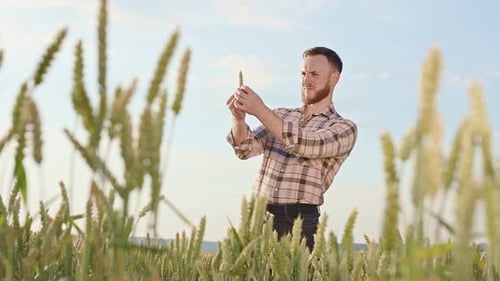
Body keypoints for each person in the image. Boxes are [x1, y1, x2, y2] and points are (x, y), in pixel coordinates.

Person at [226, 46, 357, 251]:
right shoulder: (281, 116)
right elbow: (244, 149)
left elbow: (302, 145)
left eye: (314, 74)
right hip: (258, 218)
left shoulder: (343, 128)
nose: (306, 80)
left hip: (299, 224)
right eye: (303, 73)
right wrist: (238, 119)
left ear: (334, 79)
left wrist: (259, 109)